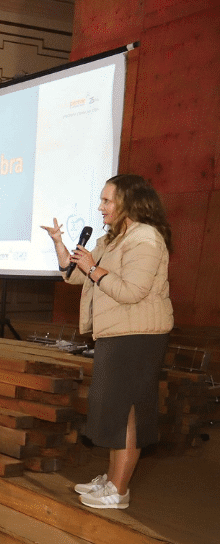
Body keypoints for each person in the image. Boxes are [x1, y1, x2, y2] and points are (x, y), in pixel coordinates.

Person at [41, 174, 173, 509]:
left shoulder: (146, 238)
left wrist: (93, 269)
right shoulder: (113, 238)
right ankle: (113, 478)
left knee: (128, 411)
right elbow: (73, 276)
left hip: (139, 335)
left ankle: (119, 489)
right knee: (116, 411)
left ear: (129, 201)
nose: (100, 208)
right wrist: (59, 244)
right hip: (118, 333)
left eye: (106, 201)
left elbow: (132, 292)